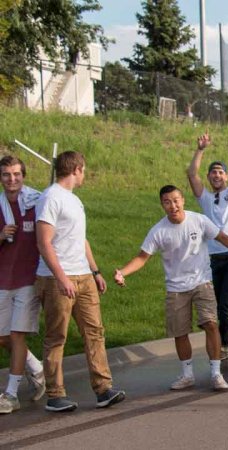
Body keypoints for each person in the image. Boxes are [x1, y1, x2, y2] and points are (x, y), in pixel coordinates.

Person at [113, 185, 228, 391]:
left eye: (176, 200)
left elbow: (223, 238)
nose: (173, 205)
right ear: (162, 205)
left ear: (183, 200)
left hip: (202, 282)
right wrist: (122, 272)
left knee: (210, 324)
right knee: (180, 333)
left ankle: (216, 373)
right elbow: (142, 257)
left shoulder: (198, 220)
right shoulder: (158, 231)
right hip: (176, 288)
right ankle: (187, 374)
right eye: (167, 202)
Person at [35, 151, 124, 412]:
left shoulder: (74, 200)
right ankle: (55, 394)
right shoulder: (50, 198)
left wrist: (95, 272)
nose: (85, 174)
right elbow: (44, 242)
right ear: (76, 169)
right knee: (56, 336)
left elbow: (80, 239)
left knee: (95, 331)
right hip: (56, 279)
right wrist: (62, 278)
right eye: (84, 169)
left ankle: (103, 388)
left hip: (84, 276)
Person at [187, 127, 228, 360]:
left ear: (227, 176)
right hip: (214, 257)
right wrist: (200, 149)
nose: (216, 176)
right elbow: (191, 175)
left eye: (220, 172)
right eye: (213, 173)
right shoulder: (205, 198)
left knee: (225, 302)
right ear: (209, 178)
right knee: (220, 304)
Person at [0, 156, 46, 414]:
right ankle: (38, 370)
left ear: (23, 176)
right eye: (6, 174)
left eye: (16, 174)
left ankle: (11, 394)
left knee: (17, 335)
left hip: (29, 279)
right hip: (3, 280)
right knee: (4, 337)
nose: (12, 179)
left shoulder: (36, 202)